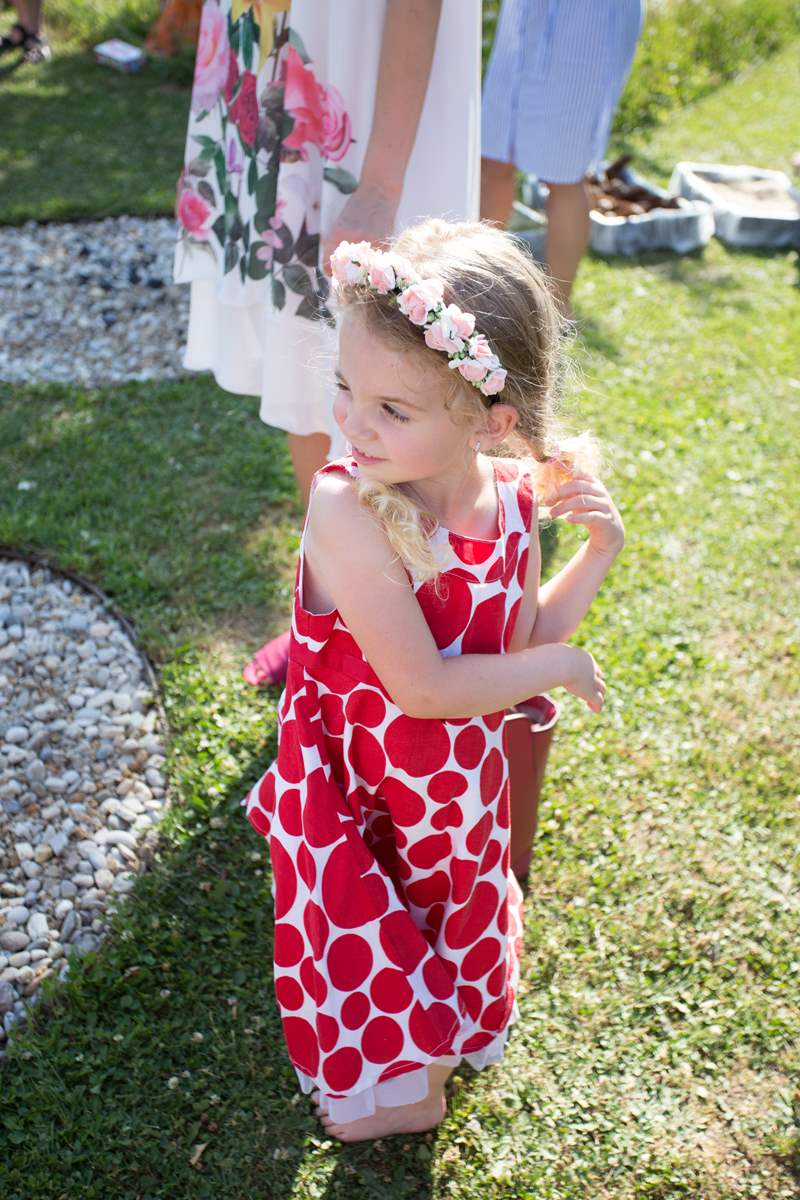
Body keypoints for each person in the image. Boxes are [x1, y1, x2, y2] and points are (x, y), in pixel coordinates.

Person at [245, 218, 624, 1141]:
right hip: (363, 784)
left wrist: (598, 552)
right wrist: (561, 669)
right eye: (347, 389)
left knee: (451, 916)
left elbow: (515, 642)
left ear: (489, 422)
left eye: (392, 409)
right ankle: (401, 1077)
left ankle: (436, 1046)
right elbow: (421, 686)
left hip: (455, 790)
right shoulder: (348, 508)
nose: (351, 424)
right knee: (373, 937)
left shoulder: (512, 497)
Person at [174, 0, 481, 684]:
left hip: (364, 102)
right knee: (307, 364)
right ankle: (331, 602)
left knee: (403, 375)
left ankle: (432, 623)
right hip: (274, 79)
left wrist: (379, 185)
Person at [480, 0, 644, 315]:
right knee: (492, 160)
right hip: (525, 13)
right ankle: (475, 286)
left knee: (564, 176)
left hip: (586, 20)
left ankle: (556, 312)